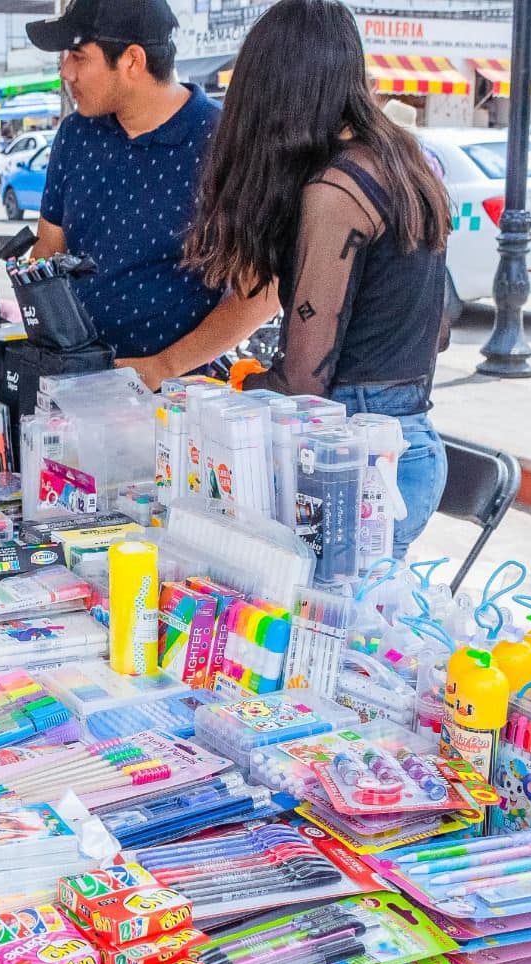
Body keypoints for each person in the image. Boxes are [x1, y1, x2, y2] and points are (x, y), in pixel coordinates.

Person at [182, 0, 451, 558]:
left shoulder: (336, 190)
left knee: (318, 636)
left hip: (358, 464)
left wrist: (238, 390)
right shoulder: (402, 159)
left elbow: (305, 383)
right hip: (410, 444)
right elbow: (438, 328)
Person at [25, 0, 274, 384]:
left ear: (132, 61)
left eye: (78, 56)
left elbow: (261, 291)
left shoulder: (223, 143)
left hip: (178, 399)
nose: (66, 72)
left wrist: (163, 366)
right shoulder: (75, 135)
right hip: (75, 384)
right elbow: (48, 248)